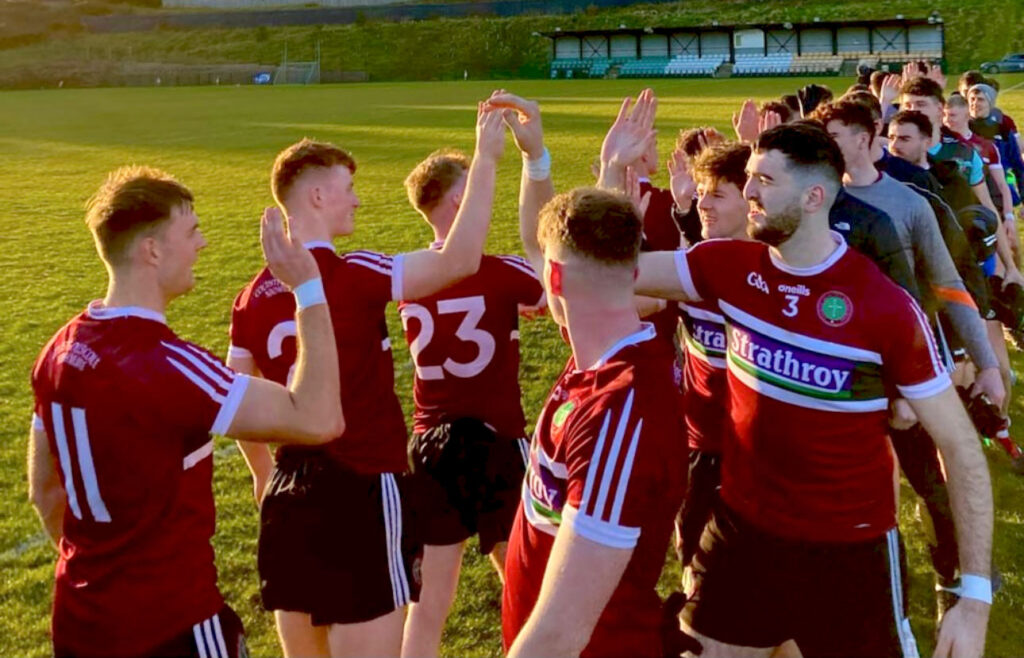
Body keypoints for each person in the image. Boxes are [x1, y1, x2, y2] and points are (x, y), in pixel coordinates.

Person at [625, 122, 994, 657]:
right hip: (741, 533)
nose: (748, 191)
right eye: (749, 177)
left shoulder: (883, 307)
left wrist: (975, 597)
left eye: (764, 181)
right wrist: (593, 170)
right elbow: (612, 272)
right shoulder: (727, 267)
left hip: (848, 552)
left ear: (815, 197)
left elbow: (960, 449)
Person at [28, 166, 345, 657]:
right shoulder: (170, 366)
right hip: (172, 626)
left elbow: (44, 492)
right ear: (152, 250)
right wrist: (307, 289)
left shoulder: (58, 351)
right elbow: (319, 418)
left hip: (79, 624)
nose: (202, 244)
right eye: (192, 231)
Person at [227, 104, 508, 657]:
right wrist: (487, 158)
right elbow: (460, 258)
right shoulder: (355, 273)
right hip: (360, 490)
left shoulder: (249, 298)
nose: (356, 199)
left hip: (288, 496)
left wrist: (264, 480)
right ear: (315, 198)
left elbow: (242, 401)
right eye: (347, 187)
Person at [488, 91, 687, 657]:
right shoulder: (600, 358)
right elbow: (553, 247)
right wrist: (558, 163)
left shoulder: (619, 412)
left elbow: (560, 631)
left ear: (551, 282)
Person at [397, 149, 544, 658]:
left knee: (429, 603)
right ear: (462, 199)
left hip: (429, 448)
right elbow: (549, 297)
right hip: (494, 443)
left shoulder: (410, 279)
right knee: (529, 585)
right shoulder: (499, 273)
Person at [674, 142, 751, 572]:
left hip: (760, 453)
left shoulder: (776, 271)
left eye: (717, 194)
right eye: (702, 192)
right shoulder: (691, 266)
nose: (700, 203)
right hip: (701, 445)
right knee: (691, 559)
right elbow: (615, 285)